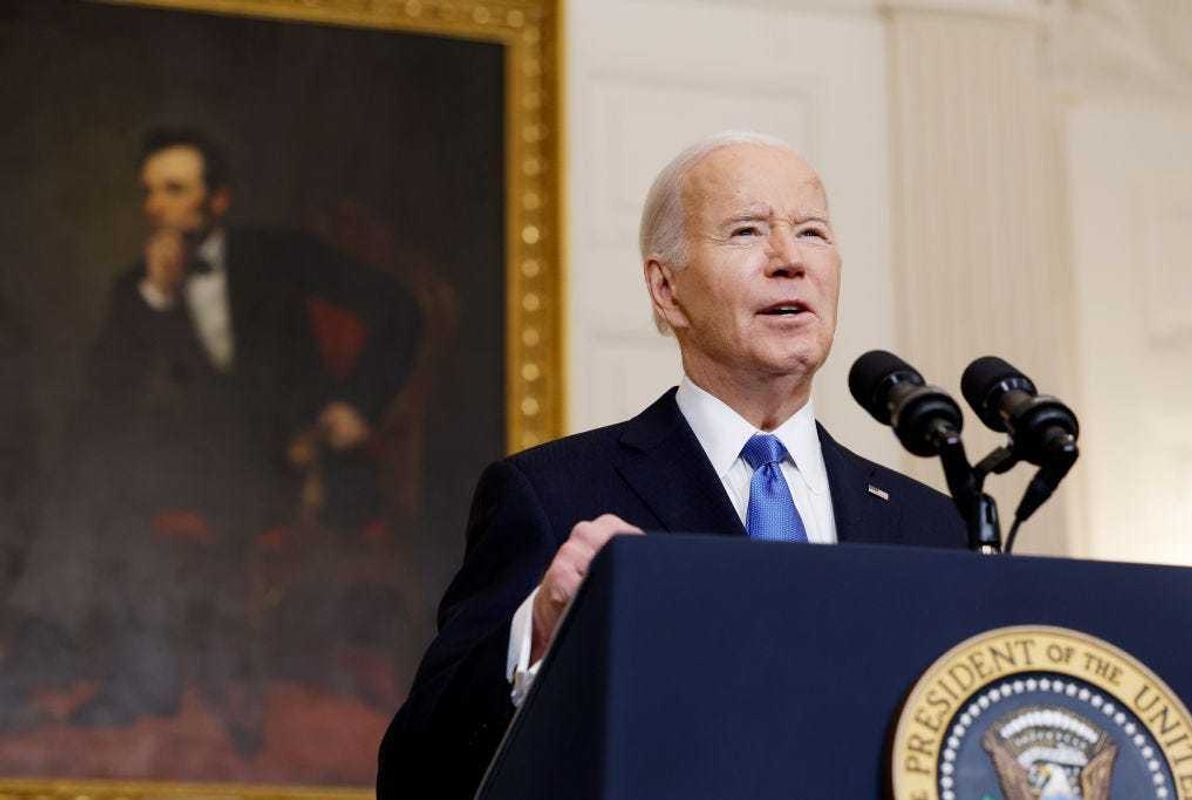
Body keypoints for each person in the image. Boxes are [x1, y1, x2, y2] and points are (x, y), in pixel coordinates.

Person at [375, 131, 967, 797]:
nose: (789, 260)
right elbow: (415, 778)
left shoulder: (930, 526)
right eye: (748, 231)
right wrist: (537, 636)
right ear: (667, 290)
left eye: (812, 233)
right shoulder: (551, 494)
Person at [0, 128, 419, 747]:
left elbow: (400, 308)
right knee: (91, 471)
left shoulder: (281, 255)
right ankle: (107, 665)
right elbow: (101, 410)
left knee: (102, 481)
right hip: (204, 469)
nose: (156, 207)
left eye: (174, 190)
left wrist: (358, 404)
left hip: (298, 466)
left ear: (217, 200)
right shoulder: (137, 286)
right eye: (149, 192)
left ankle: (116, 672)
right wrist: (155, 299)